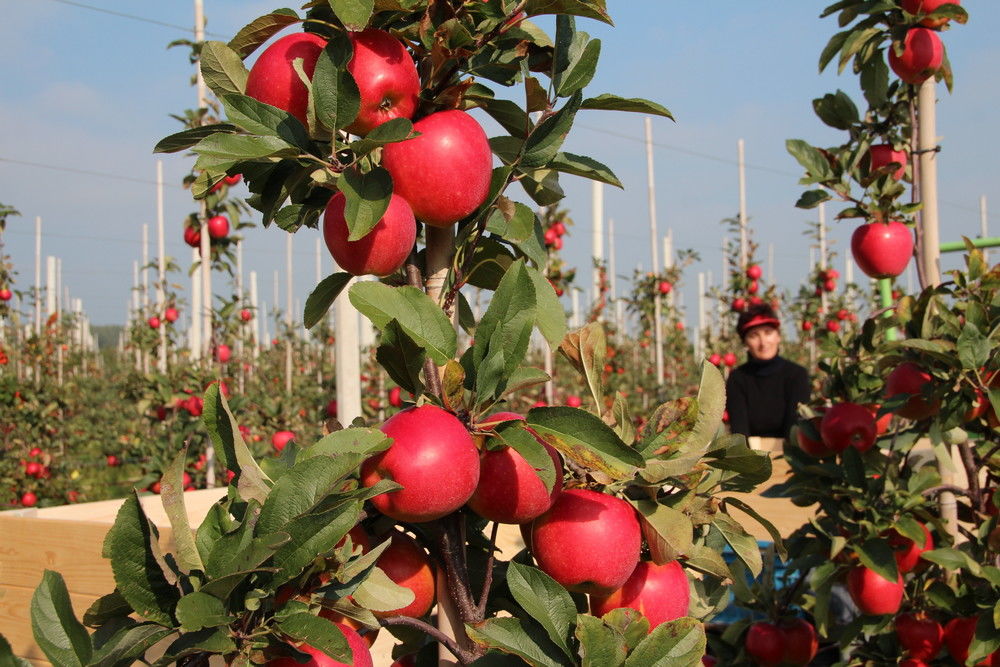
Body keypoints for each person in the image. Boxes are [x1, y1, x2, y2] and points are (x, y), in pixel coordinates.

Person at [725, 303, 810, 440]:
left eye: (768, 333)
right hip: (752, 456)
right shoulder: (737, 379)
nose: (763, 342)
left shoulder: (796, 375)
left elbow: (795, 428)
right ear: (745, 342)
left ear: (778, 336)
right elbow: (740, 434)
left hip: (790, 455)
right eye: (754, 335)